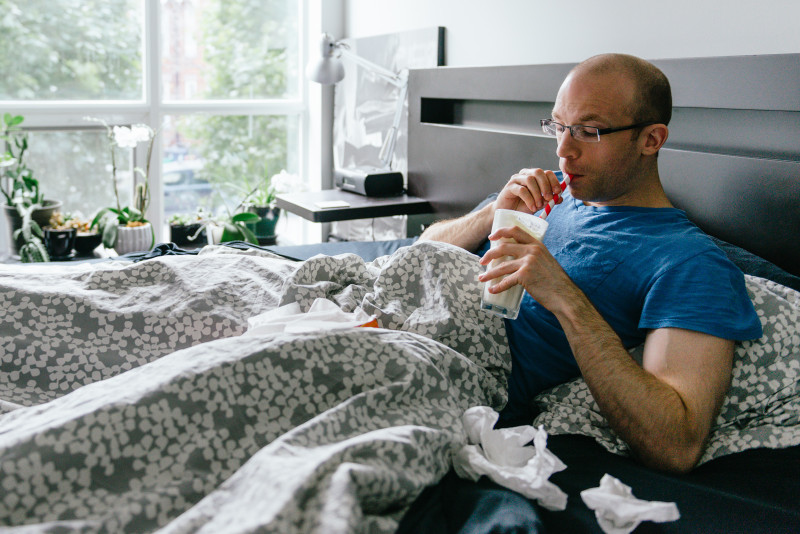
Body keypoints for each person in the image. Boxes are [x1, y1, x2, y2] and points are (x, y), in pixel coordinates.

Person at [398, 53, 762, 533]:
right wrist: (490, 215)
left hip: (437, 366)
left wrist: (562, 295)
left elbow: (677, 443)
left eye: (589, 132)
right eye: (558, 126)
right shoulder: (549, 193)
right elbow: (421, 250)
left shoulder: (687, 262)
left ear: (651, 139)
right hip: (391, 313)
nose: (563, 152)